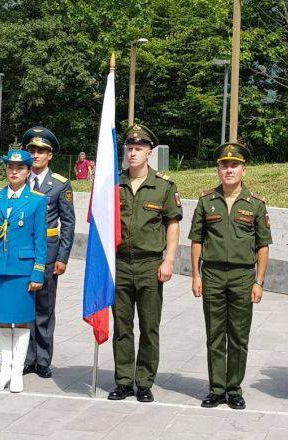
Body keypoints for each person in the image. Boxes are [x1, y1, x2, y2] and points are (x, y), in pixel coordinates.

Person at [189, 143, 271, 410]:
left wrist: (259, 281)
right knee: (214, 334)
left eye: (234, 165)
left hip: (242, 277)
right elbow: (197, 240)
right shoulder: (206, 201)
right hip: (212, 274)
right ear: (218, 169)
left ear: (243, 170)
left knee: (238, 335)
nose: (229, 169)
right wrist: (195, 275)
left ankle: (234, 389)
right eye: (224, 165)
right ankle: (216, 388)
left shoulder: (255, 204)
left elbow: (263, 245)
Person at [108, 124, 182, 403]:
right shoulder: (114, 183)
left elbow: (172, 224)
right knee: (122, 326)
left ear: (150, 152)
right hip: (121, 264)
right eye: (129, 148)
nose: (133, 152)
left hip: (150, 264)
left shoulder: (163, 186)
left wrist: (169, 260)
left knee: (149, 327)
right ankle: (124, 380)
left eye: (139, 148)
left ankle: (144, 381)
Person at [0, 149, 47, 393]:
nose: (14, 171)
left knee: (23, 321)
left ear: (28, 171)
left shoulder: (37, 200)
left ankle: (17, 372)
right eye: (10, 167)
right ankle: (3, 370)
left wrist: (38, 272)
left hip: (22, 269)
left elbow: (40, 240)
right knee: (3, 321)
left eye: (19, 168)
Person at [18, 127, 76, 379]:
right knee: (23, 305)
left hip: (49, 252)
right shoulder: (18, 180)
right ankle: (25, 357)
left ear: (50, 155)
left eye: (41, 151)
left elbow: (68, 223)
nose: (36, 154)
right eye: (32, 150)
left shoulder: (60, 185)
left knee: (44, 307)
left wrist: (62, 257)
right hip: (22, 253)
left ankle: (42, 358)